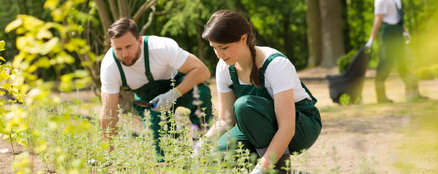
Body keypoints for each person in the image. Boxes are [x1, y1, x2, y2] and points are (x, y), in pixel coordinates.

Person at [201, 10, 322, 173]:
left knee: (244, 106)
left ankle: (279, 168)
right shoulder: (224, 66)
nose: (219, 55)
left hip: (300, 126)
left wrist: (261, 168)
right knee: (218, 155)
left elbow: (287, 128)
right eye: (214, 48)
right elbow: (226, 120)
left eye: (224, 47)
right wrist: (201, 145)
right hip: (254, 127)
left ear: (243, 38)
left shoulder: (275, 64)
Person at [99, 18, 213, 155]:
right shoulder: (109, 66)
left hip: (177, 86)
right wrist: (110, 155)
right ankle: (177, 152)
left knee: (201, 92)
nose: (124, 54)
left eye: (128, 47)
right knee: (166, 153)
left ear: (140, 41)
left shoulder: (161, 47)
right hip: (150, 103)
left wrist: (173, 94)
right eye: (118, 49)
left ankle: (202, 148)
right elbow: (108, 114)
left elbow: (203, 71)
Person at [366, 0, 427, 103]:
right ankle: (381, 97)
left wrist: (405, 31)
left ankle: (413, 94)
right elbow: (378, 19)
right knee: (386, 63)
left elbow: (398, 18)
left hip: (398, 31)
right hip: (388, 32)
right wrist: (371, 39)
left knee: (403, 63)